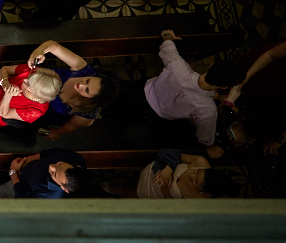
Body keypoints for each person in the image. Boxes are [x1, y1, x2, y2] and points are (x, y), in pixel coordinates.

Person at [107, 29, 245, 159]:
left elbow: (167, 48)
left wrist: (168, 36)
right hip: (154, 115)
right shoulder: (207, 110)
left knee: (117, 101)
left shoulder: (179, 66)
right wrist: (211, 146)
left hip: (141, 90)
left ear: (211, 66)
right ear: (224, 86)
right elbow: (205, 136)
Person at [25, 40, 120, 140]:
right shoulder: (83, 69)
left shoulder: (86, 115)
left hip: (40, 111)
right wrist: (40, 50)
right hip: (35, 80)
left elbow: (70, 126)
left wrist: (56, 133)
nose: (81, 85)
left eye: (87, 90)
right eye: (88, 80)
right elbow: (54, 46)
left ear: (92, 100)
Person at [103, 148, 238, 199]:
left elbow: (172, 207)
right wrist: (169, 169)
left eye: (195, 181)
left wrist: (164, 189)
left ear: (205, 191)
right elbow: (175, 154)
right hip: (156, 170)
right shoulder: (199, 161)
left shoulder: (199, 202)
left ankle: (121, 190)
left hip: (155, 192)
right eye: (197, 172)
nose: (192, 176)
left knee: (134, 193)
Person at [0, 148, 88, 198]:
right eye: (59, 164)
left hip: (19, 182)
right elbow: (52, 152)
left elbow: (22, 196)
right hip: (25, 168)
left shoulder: (47, 196)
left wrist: (13, 172)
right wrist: (28, 160)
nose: (51, 166)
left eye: (54, 174)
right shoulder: (76, 159)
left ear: (64, 188)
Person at [0, 63, 62, 129]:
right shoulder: (33, 71)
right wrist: (4, 82)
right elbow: (5, 69)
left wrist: (8, 94)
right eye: (29, 78)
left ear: (37, 94)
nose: (25, 80)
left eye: (29, 84)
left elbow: (4, 114)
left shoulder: (36, 111)